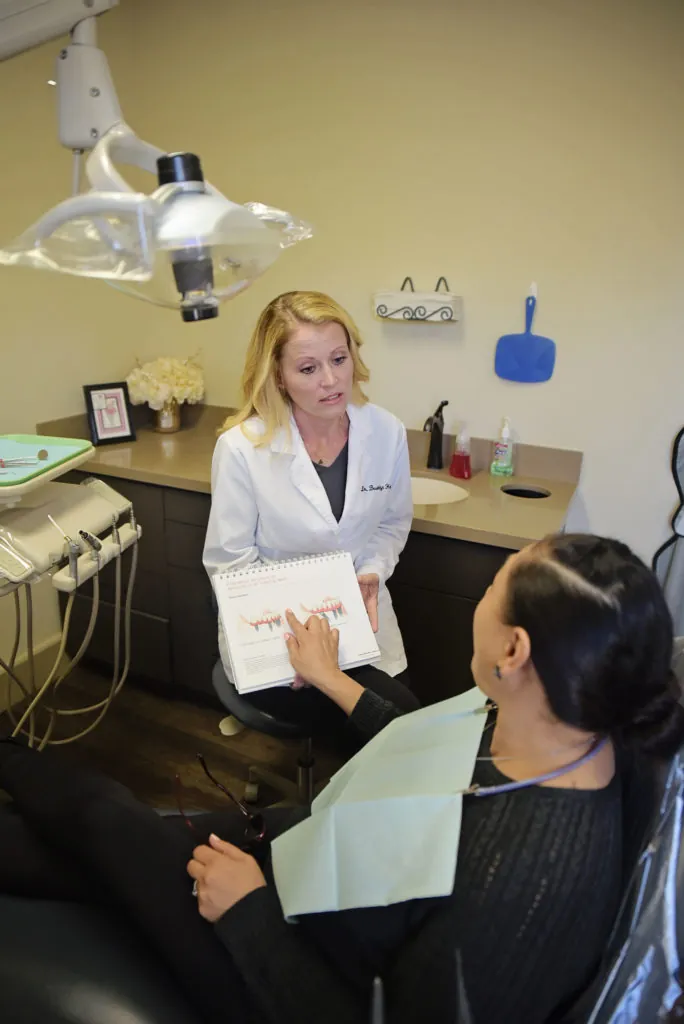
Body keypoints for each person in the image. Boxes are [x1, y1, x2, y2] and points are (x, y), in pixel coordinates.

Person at [1, 533, 683, 1024]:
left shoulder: (525, 886)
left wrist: (250, 914)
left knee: (105, 822)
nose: (481, 601)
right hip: (317, 866)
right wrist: (331, 680)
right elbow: (425, 745)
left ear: (513, 649)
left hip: (283, 969)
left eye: (489, 588)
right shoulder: (557, 719)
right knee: (93, 852)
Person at [202, 289, 416, 734]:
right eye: (308, 368)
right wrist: (302, 643)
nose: (331, 381)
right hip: (276, 634)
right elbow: (230, 565)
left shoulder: (385, 432)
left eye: (339, 359)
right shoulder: (243, 449)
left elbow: (392, 522)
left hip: (362, 623)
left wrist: (373, 570)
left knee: (400, 724)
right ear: (277, 376)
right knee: (371, 734)